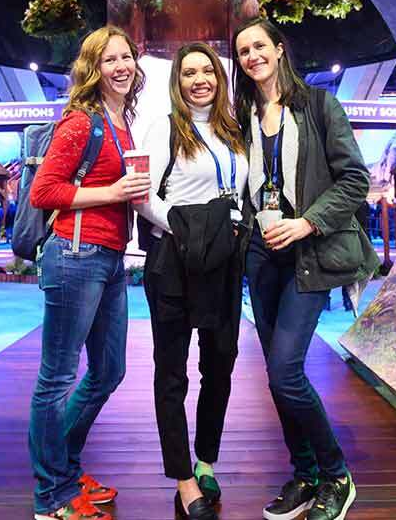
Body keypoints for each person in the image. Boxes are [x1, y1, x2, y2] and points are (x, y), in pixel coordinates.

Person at [233, 16, 379, 520]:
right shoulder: (244, 116)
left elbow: (354, 179)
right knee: (277, 377)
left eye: (259, 46)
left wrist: (307, 223)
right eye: (243, 51)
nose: (252, 56)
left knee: (286, 371)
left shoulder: (319, 106)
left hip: (308, 253)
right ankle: (305, 474)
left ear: (279, 49)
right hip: (262, 255)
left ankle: (337, 475)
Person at [27, 26, 149, 520]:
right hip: (75, 255)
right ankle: (51, 497)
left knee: (108, 371)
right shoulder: (81, 121)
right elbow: (43, 191)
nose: (121, 67)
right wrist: (113, 193)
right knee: (56, 379)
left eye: (126, 57)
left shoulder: (122, 122)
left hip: (110, 258)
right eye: (109, 60)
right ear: (92, 69)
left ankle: (65, 470)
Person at [135, 43, 249, 520]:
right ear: (177, 82)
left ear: (219, 79)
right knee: (172, 373)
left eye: (207, 71)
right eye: (189, 73)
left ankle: (206, 462)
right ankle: (183, 479)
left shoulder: (234, 132)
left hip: (224, 264)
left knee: (220, 365)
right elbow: (141, 195)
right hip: (174, 263)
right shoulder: (163, 129)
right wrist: (184, 230)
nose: (199, 79)